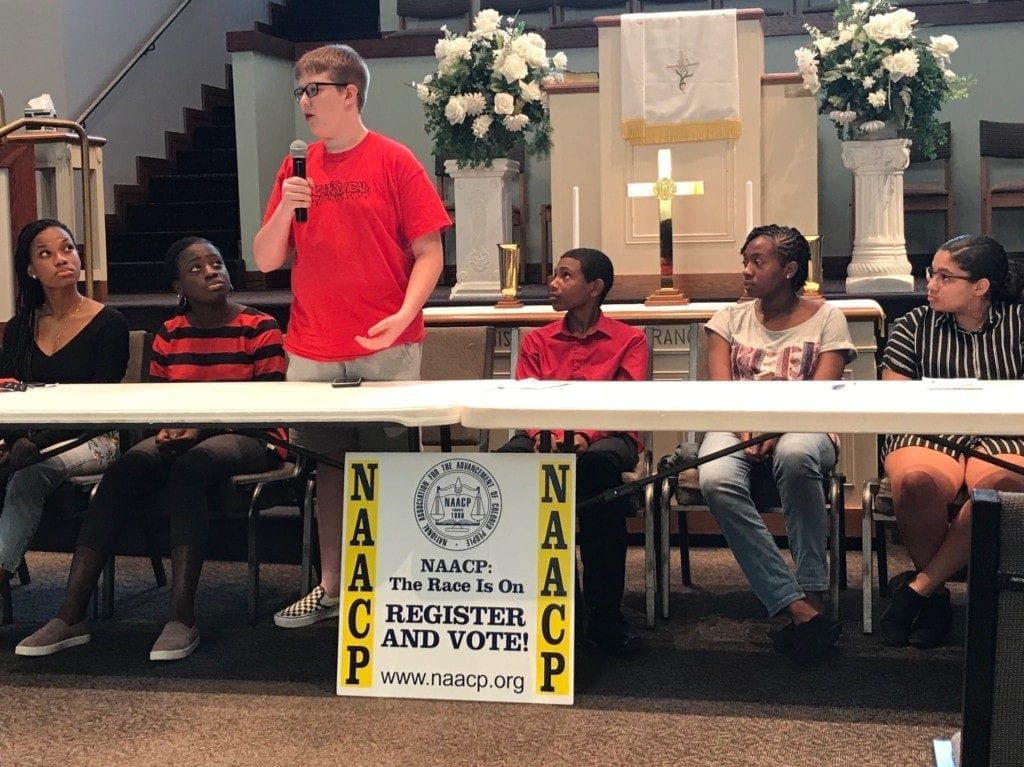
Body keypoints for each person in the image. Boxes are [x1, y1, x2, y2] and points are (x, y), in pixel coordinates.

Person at [253, 43, 449, 628]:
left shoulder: (394, 160)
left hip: (385, 346)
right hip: (311, 347)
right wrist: (287, 207)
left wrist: (405, 311)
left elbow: (430, 252)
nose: (304, 102)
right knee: (330, 469)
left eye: (314, 90)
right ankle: (334, 586)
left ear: (350, 94)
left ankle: (397, 589)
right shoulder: (297, 167)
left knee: (389, 465)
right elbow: (265, 260)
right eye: (300, 91)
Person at [15, 237, 286, 660]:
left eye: (216, 264)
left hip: (254, 437)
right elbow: (159, 404)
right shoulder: (170, 334)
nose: (211, 271)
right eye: (196, 268)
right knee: (126, 468)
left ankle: (181, 617)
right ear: (177, 284)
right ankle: (70, 616)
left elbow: (271, 407)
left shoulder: (259, 326)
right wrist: (166, 428)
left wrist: (199, 428)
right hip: (185, 436)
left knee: (191, 469)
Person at [696, 224, 855, 662]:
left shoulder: (827, 318)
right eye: (744, 261)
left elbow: (820, 393)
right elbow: (722, 390)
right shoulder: (728, 319)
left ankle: (814, 592)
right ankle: (794, 604)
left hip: (806, 424)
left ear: (788, 269)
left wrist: (776, 426)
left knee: (797, 452)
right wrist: (748, 422)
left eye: (757, 261)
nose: (746, 270)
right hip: (736, 421)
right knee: (713, 475)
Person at [498, 248, 647, 655]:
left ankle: (604, 612)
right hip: (542, 432)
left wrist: (582, 435)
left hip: (607, 436)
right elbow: (524, 400)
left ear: (595, 287)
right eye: (553, 274)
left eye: (565, 276)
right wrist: (553, 437)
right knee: (509, 462)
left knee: (598, 472)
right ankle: (548, 604)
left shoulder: (630, 339)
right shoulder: (537, 340)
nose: (553, 283)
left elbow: (625, 402)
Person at [879, 234, 1024, 649]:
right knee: (916, 481)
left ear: (980, 286)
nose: (931, 284)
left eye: (946, 276)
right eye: (931, 273)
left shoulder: (1019, 323)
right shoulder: (913, 324)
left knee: (1001, 489)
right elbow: (896, 398)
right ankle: (936, 597)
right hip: (927, 429)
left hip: (1005, 432)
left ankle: (920, 590)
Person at [0, 219, 128, 615]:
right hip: (31, 438)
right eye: (46, 254)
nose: (61, 259)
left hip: (94, 438)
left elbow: (99, 405)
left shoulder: (109, 324)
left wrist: (32, 444)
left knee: (29, 475)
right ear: (30, 270)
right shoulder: (21, 326)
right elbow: (11, 392)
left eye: (68, 249)